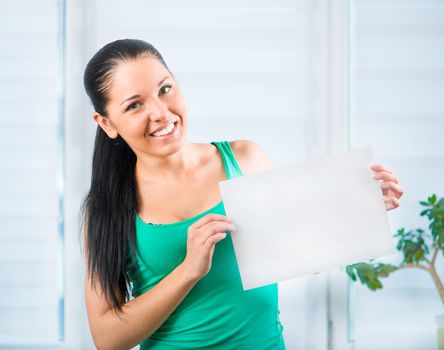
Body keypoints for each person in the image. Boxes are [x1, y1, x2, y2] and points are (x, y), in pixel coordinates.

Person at [80, 39, 404, 350]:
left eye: (165, 89)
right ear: (106, 123)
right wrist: (188, 270)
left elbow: (300, 255)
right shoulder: (107, 208)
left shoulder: (244, 160)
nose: (162, 113)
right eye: (135, 105)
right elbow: (108, 339)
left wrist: (364, 209)